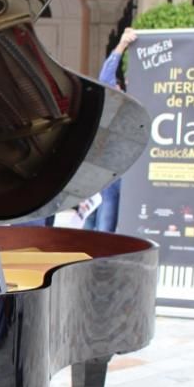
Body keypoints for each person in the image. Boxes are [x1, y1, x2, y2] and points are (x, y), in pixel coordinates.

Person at [83, 27, 137, 233]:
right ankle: (95, 260)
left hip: (133, 171)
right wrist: (122, 45)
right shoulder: (120, 97)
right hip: (113, 168)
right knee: (104, 219)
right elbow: (105, 78)